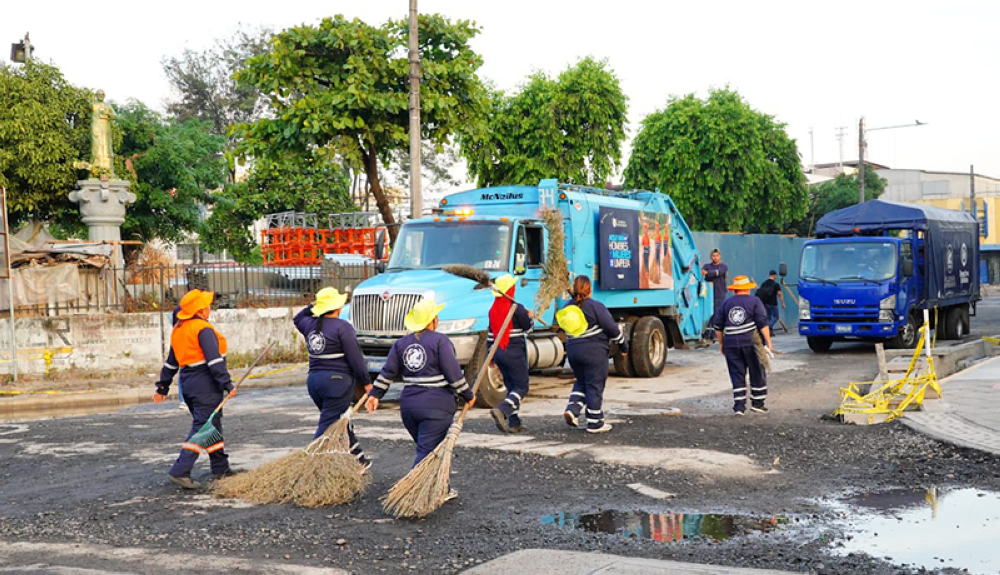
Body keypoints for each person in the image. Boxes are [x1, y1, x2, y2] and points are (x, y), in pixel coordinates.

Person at [366, 299, 472, 499]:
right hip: (436, 405)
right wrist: (468, 395)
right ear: (433, 319)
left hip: (409, 407)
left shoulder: (401, 344)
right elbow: (454, 374)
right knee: (427, 451)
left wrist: (375, 394)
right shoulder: (441, 341)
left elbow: (388, 372)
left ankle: (441, 487)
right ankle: (411, 494)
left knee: (430, 448)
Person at [153, 289, 235, 489]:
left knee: (211, 424)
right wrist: (227, 384)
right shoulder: (202, 329)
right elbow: (214, 361)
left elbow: (171, 363)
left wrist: (162, 386)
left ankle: (220, 468)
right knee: (202, 427)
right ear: (199, 310)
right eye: (206, 306)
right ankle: (180, 470)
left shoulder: (179, 330)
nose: (209, 309)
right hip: (205, 383)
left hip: (188, 382)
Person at [294, 287, 372, 469]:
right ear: (338, 307)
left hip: (314, 382)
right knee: (329, 425)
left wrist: (311, 307)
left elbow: (297, 318)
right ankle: (307, 465)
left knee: (339, 420)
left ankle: (359, 459)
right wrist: (367, 383)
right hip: (336, 383)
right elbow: (355, 359)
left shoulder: (309, 325)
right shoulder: (343, 327)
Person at [558, 275, 627, 434]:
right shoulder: (596, 306)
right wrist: (623, 346)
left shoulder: (567, 307)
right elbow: (612, 329)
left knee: (582, 381)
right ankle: (595, 422)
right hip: (594, 352)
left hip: (574, 352)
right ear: (589, 289)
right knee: (595, 384)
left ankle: (573, 409)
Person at [713, 276, 775, 415]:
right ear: (747, 288)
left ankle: (739, 407)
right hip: (752, 342)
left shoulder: (726, 303)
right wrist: (769, 343)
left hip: (731, 344)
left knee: (737, 374)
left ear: (735, 289)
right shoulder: (754, 301)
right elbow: (762, 323)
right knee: (757, 371)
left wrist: (722, 343)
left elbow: (717, 326)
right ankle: (758, 404)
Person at [488, 274, 534, 434]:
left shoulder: (493, 310)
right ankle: (503, 409)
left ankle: (514, 422)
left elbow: (490, 336)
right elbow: (527, 328)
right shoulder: (516, 308)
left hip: (499, 353)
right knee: (521, 386)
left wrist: (491, 358)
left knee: (511, 387)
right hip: (514, 352)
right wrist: (530, 317)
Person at [702, 249, 729, 316]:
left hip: (719, 294)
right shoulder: (707, 266)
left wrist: (708, 273)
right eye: (713, 255)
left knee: (719, 312)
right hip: (708, 293)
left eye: (717, 255)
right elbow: (701, 273)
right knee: (708, 312)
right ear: (711, 257)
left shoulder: (723, 266)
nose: (715, 257)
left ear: (720, 256)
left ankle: (717, 325)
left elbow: (719, 272)